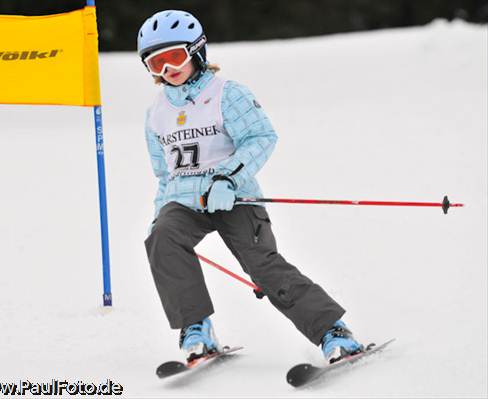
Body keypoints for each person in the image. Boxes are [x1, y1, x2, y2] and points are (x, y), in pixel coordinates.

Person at [138, 10, 363, 364]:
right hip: (184, 202)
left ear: (197, 50)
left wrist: (228, 177)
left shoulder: (227, 94)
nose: (168, 70)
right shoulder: (156, 114)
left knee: (262, 264)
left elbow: (261, 137)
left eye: (175, 58)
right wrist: (158, 215)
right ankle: (197, 328)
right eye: (156, 63)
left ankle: (333, 331)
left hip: (234, 198)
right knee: (162, 237)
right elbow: (164, 176)